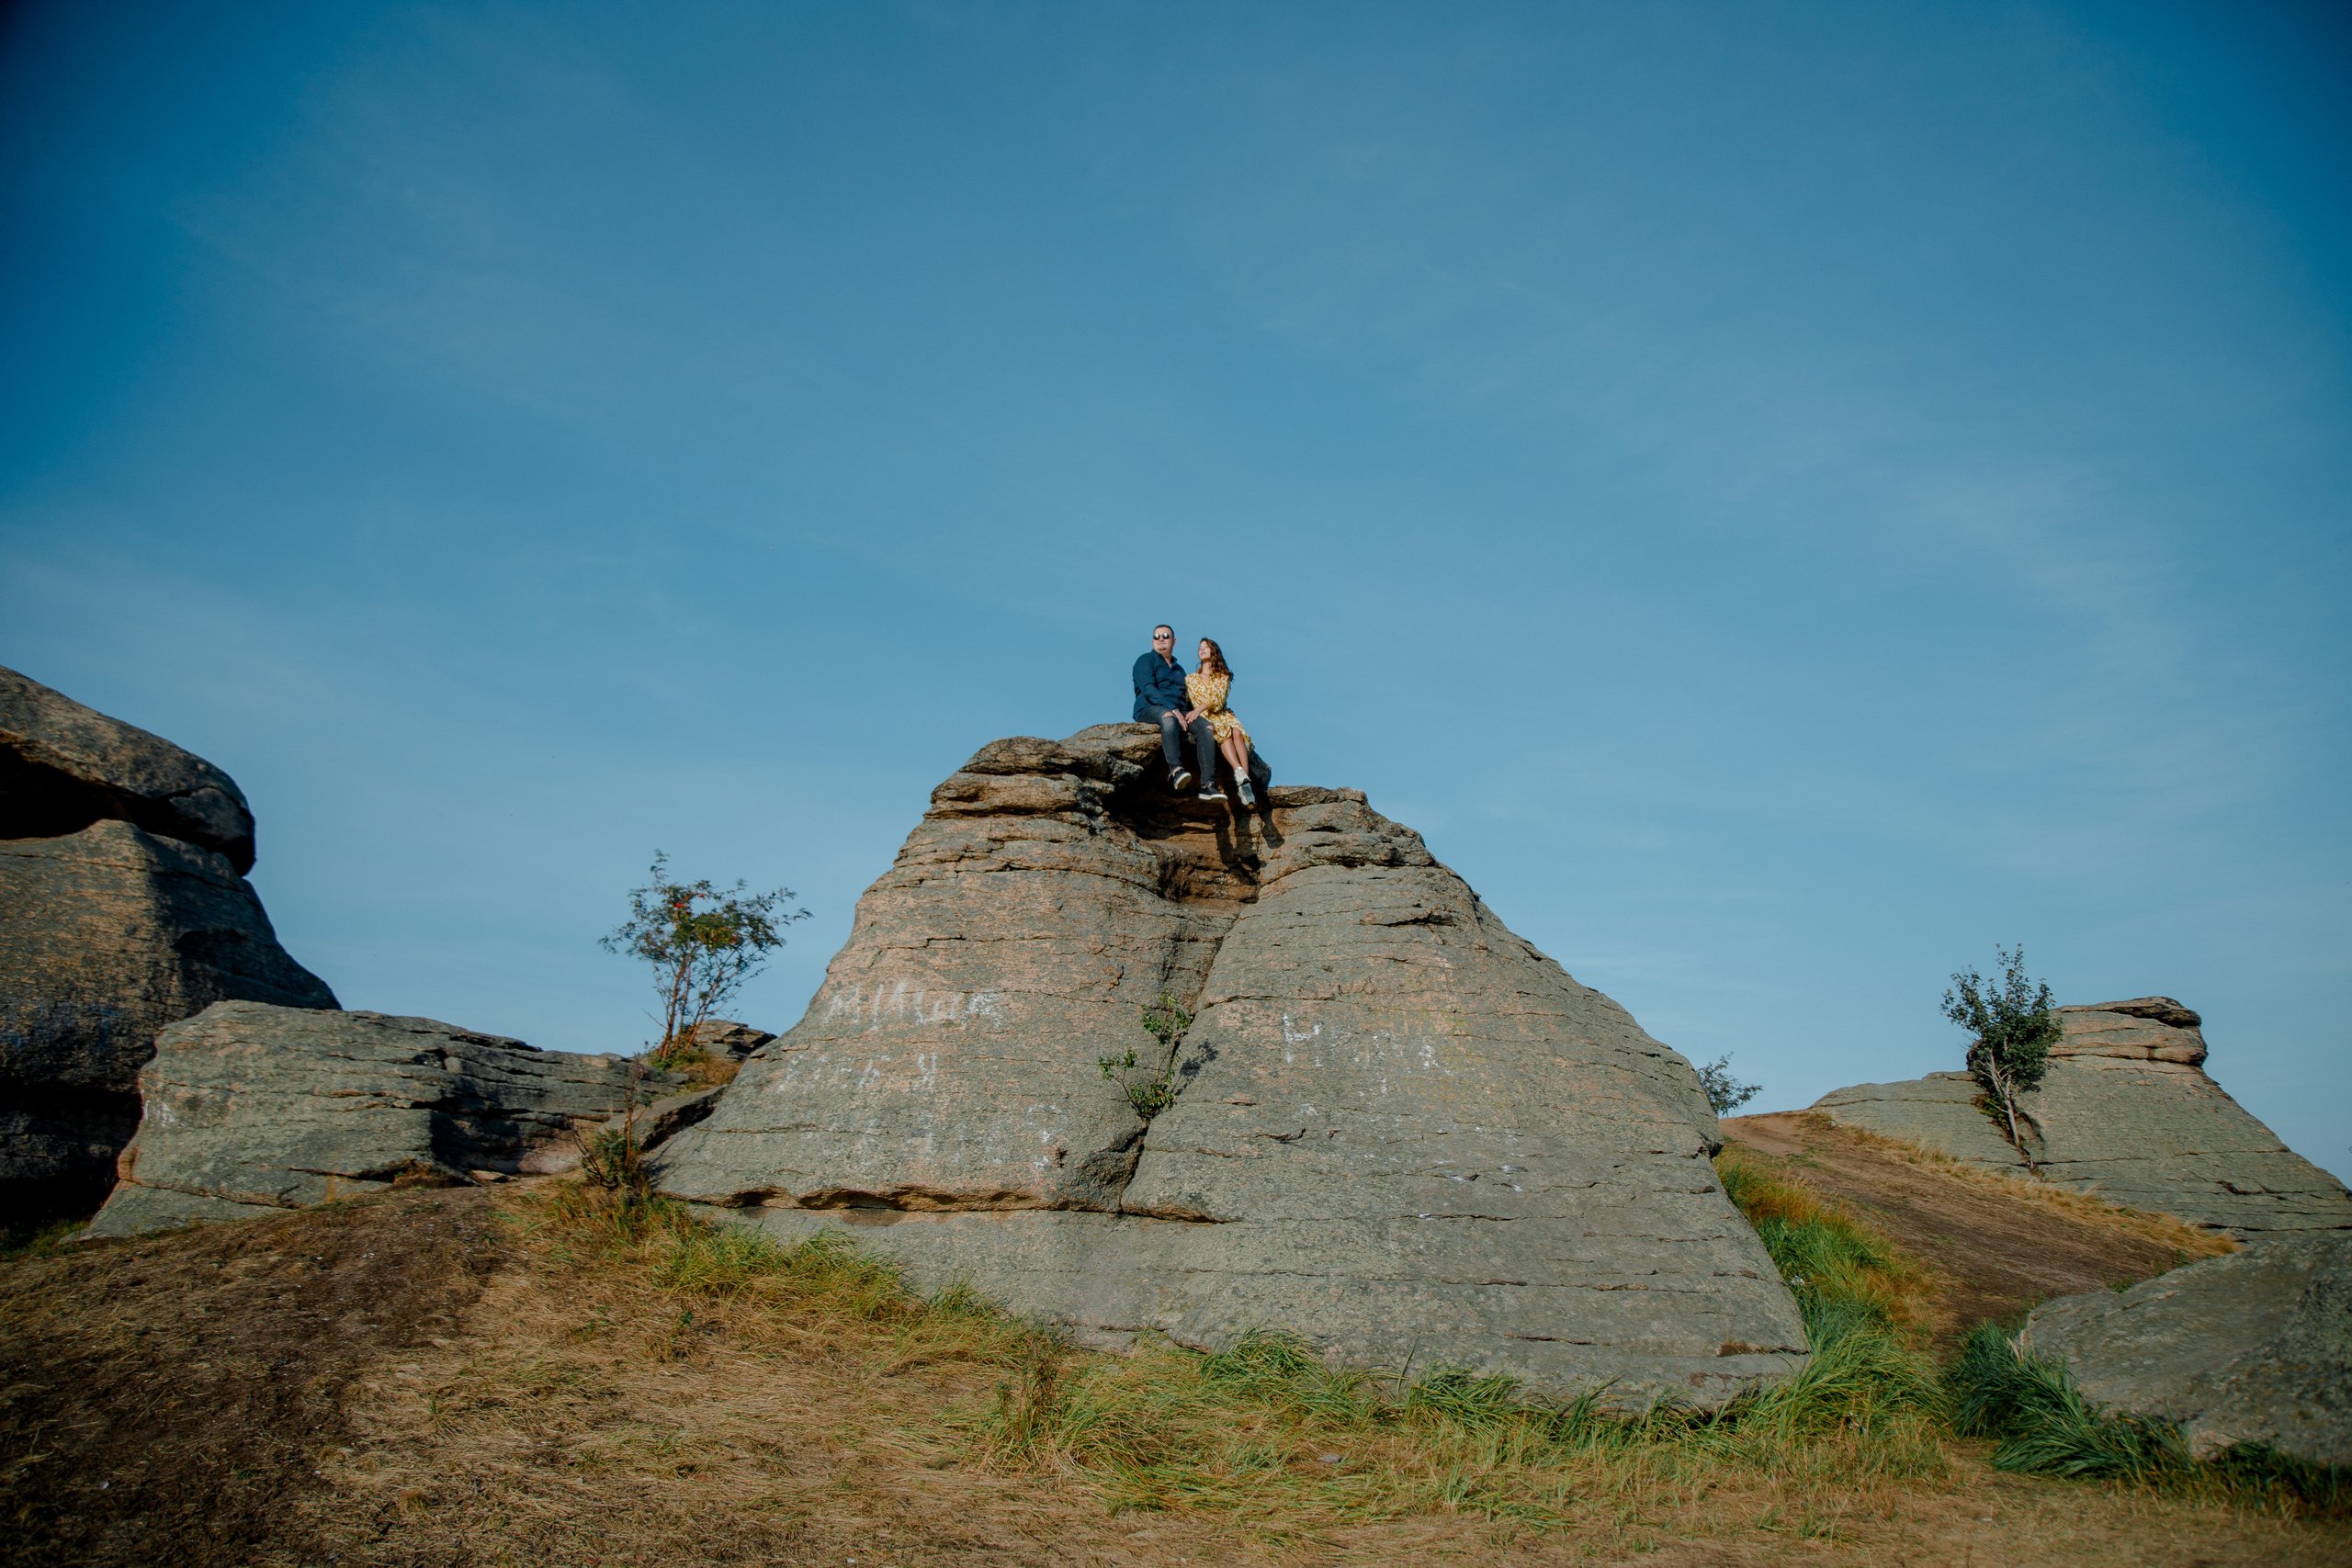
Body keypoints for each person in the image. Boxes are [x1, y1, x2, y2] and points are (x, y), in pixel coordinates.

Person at [1132, 624, 1215, 793]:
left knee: (1206, 727)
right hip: (1150, 707)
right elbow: (1148, 689)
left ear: (1174, 641)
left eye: (1165, 636)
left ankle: (1209, 785)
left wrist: (1212, 713)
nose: (1160, 639)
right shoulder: (1145, 660)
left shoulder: (1179, 670)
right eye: (1156, 636)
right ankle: (1176, 771)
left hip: (1180, 709)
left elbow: (1189, 697)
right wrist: (1173, 710)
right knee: (1168, 717)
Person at [1184, 637, 1255, 807]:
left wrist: (1198, 709)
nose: (1201, 650)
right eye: (1200, 647)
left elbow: (1217, 699)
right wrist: (1193, 712)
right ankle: (1239, 772)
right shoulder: (1190, 679)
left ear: (1213, 652)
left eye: (1206, 647)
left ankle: (1244, 781)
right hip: (1207, 718)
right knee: (1224, 732)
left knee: (1236, 732)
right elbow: (1188, 700)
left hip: (1221, 714)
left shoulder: (1222, 677)